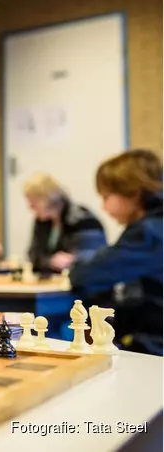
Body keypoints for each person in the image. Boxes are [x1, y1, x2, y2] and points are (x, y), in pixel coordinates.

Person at [69, 149, 163, 355]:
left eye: (106, 196)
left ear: (134, 193)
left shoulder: (148, 234)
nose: (102, 207)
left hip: (154, 347)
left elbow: (84, 275)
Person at [23, 173, 107, 275]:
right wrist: (50, 261)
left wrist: (72, 260)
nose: (30, 207)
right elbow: (33, 255)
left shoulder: (82, 219)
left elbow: (92, 259)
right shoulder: (42, 221)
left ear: (48, 199)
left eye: (33, 201)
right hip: (53, 281)